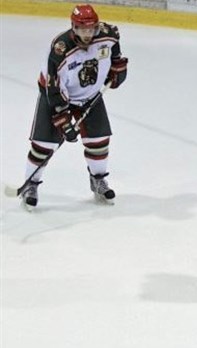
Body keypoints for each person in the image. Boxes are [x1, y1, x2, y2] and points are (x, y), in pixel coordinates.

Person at [19, 4, 128, 211]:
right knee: (44, 146)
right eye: (83, 30)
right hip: (56, 97)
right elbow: (53, 87)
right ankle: (30, 185)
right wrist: (63, 118)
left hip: (89, 96)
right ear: (73, 27)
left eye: (91, 29)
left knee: (99, 141)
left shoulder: (108, 34)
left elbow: (115, 53)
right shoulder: (60, 49)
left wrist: (118, 66)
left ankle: (98, 180)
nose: (88, 34)